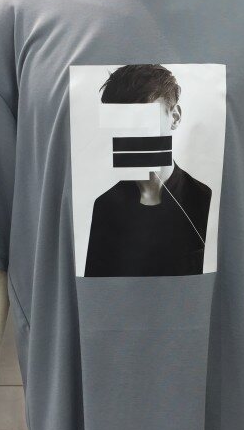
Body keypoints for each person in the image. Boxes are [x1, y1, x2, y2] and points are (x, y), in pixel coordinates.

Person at [85, 64, 212, 277]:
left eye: (143, 120)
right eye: (121, 122)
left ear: (175, 117)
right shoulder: (104, 206)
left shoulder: (205, 199)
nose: (132, 134)